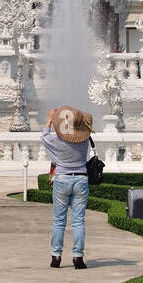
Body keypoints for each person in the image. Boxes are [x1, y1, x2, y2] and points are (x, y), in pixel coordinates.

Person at [41, 106, 92, 271]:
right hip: (81, 179)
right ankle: (78, 257)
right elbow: (82, 129)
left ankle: (56, 256)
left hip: (62, 179)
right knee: (78, 222)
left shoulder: (55, 141)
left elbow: (44, 136)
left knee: (59, 221)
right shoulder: (84, 141)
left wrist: (50, 119)